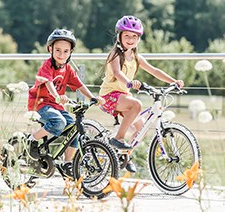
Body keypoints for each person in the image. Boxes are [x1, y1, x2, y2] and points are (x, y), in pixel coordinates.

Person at [99, 15, 184, 173]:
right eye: (127, 36)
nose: (131, 39)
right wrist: (130, 83)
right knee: (136, 104)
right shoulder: (115, 55)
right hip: (109, 96)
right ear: (119, 36)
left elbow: (154, 71)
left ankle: (124, 155)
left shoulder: (136, 57)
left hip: (123, 97)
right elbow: (117, 73)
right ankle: (118, 138)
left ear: (138, 39)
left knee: (141, 128)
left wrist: (173, 81)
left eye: (134, 36)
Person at [27, 28, 103, 178]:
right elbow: (48, 82)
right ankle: (32, 140)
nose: (61, 55)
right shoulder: (47, 65)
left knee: (73, 128)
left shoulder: (68, 68)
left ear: (71, 52)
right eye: (58, 50)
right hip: (40, 104)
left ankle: (67, 163)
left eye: (65, 51)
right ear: (50, 49)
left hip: (56, 106)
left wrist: (92, 97)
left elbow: (79, 84)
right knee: (59, 122)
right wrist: (56, 96)